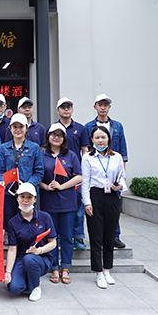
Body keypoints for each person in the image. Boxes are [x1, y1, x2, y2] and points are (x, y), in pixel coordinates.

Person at [82, 125, 127, 289]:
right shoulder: (87, 158)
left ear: (108, 139)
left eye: (103, 137)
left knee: (110, 236)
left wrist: (119, 186)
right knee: (96, 236)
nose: (100, 141)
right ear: (92, 140)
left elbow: (122, 177)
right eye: (97, 138)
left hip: (112, 197)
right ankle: (98, 272)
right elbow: (85, 182)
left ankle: (107, 269)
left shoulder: (117, 157)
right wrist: (87, 202)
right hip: (95, 196)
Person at [38, 123, 83, 285]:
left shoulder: (71, 155)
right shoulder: (41, 154)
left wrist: (62, 186)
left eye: (59, 135)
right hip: (48, 202)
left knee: (67, 236)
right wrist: (46, 186)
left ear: (64, 139)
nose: (56, 138)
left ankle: (65, 268)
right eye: (53, 134)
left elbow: (79, 176)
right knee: (51, 236)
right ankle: (54, 268)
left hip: (67, 202)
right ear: (48, 136)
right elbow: (36, 175)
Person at [84, 94, 129, 249]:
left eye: (105, 105)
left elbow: (123, 151)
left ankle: (115, 236)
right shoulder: (88, 126)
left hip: (113, 173)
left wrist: (122, 176)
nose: (102, 108)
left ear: (109, 107)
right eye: (100, 105)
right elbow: (86, 149)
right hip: (96, 172)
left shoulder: (117, 126)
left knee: (113, 206)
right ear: (95, 107)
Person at [3, 183, 57, 301]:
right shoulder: (12, 222)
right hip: (21, 259)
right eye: (22, 197)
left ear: (35, 199)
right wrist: (8, 272)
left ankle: (36, 287)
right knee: (14, 288)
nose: (25, 200)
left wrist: (39, 251)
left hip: (41, 258)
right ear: (17, 198)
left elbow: (53, 242)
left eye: (29, 197)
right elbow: (12, 249)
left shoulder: (45, 217)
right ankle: (30, 278)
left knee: (30, 259)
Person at [55, 97, 90, 251]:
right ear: (57, 110)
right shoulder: (54, 128)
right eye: (63, 107)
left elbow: (85, 150)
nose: (66, 110)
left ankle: (78, 236)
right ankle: (59, 236)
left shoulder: (80, 128)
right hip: (57, 173)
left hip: (75, 174)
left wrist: (85, 172)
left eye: (68, 107)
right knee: (59, 208)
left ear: (72, 110)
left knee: (78, 208)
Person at [0, 113, 43, 229]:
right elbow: (0, 171)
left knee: (28, 223)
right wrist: (4, 182)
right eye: (15, 127)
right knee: (10, 224)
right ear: (10, 128)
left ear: (26, 128)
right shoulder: (3, 148)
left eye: (21, 126)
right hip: (9, 193)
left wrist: (26, 186)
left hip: (27, 194)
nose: (18, 130)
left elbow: (39, 172)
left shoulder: (34, 148)